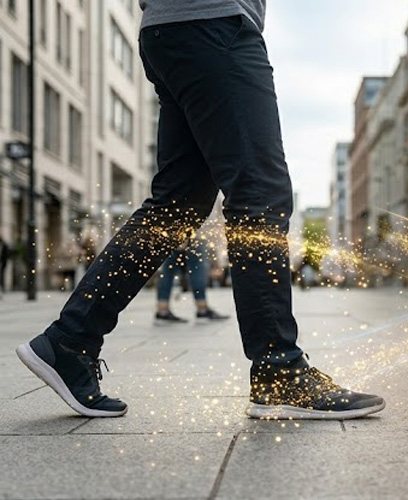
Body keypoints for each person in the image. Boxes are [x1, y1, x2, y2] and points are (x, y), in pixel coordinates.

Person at [14, 1, 384, 420]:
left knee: (178, 204)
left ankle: (70, 340)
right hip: (215, 23)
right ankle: (279, 371)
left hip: (173, 29)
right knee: (260, 195)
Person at [154, 235, 230, 324]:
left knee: (168, 269)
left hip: (169, 234)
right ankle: (202, 309)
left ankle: (162, 310)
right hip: (193, 236)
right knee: (197, 268)